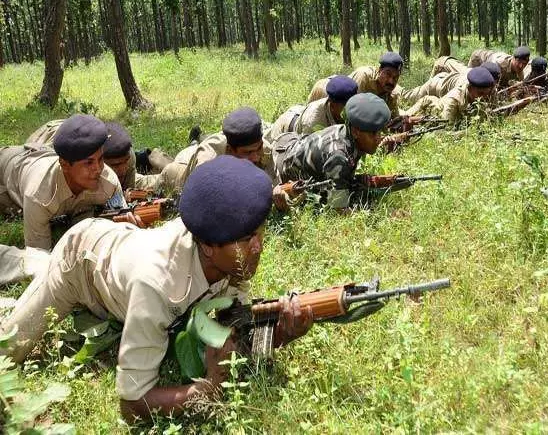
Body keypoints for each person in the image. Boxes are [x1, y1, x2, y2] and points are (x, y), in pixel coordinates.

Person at [0, 156, 313, 422]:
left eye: (259, 232)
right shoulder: (158, 283)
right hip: (79, 260)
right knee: (9, 347)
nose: (258, 247)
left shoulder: (229, 251)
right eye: (246, 240)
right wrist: (209, 391)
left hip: (122, 252)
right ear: (207, 246)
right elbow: (132, 404)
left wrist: (282, 334)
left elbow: (230, 333)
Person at [0, 114, 126, 284]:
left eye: (100, 159)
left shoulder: (108, 182)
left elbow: (120, 218)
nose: (98, 169)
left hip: (43, 157)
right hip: (10, 168)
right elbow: (38, 260)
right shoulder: (39, 194)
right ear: (65, 165)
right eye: (88, 163)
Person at [273, 93, 391, 210]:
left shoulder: (347, 133)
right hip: (281, 166)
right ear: (355, 132)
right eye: (372, 133)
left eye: (379, 132)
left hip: (291, 146)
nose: (378, 138)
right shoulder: (339, 156)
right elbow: (339, 209)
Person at [136, 107, 277, 195]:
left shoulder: (264, 150)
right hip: (179, 175)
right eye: (247, 153)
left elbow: (271, 186)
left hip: (193, 155)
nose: (255, 157)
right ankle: (147, 158)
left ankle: (193, 143)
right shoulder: (208, 158)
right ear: (229, 150)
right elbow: (206, 200)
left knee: (189, 151)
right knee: (145, 185)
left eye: (257, 149)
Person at [26, 119, 138, 191]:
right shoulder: (65, 155)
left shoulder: (128, 155)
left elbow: (126, 190)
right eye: (116, 165)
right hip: (49, 134)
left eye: (125, 162)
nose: (123, 169)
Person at [306, 52, 404, 119]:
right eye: (388, 74)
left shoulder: (391, 92)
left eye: (395, 77)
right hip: (325, 90)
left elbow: (393, 118)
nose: (391, 81)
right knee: (312, 118)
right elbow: (353, 110)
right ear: (379, 70)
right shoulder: (364, 77)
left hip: (342, 102)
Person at [266, 75, 358, 143]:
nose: (349, 108)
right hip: (286, 130)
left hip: (300, 113)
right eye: (345, 105)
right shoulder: (313, 122)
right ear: (333, 104)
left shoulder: (339, 108)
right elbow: (307, 155)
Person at [403, 67, 496, 124]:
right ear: (470, 89)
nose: (484, 97)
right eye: (480, 93)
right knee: (402, 113)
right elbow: (445, 130)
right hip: (426, 105)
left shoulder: (486, 94)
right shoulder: (454, 100)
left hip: (446, 83)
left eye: (486, 94)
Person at [401, 57, 501, 105]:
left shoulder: (490, 87)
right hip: (436, 86)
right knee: (407, 97)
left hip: (447, 80)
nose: (492, 87)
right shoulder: (465, 86)